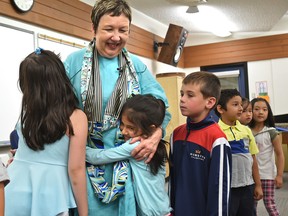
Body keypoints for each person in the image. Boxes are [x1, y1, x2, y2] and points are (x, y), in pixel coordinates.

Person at [64, 0, 170, 215]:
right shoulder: (74, 64)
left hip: (128, 168)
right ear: (93, 28)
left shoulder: (136, 67)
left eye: (123, 30)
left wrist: (156, 135)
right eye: (108, 29)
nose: (116, 37)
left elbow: (162, 109)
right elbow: (54, 110)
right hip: (85, 164)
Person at [4, 49, 88, 216]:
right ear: (60, 78)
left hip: (13, 189)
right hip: (51, 193)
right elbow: (76, 170)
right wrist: (84, 213)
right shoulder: (76, 117)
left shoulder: (26, 114)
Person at [86, 94, 172, 216]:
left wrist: (77, 147)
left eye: (131, 127)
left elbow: (99, 157)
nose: (123, 131)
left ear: (151, 128)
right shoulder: (157, 145)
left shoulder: (135, 146)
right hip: (162, 208)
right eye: (122, 124)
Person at [169, 71, 232, 216]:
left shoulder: (217, 139)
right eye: (182, 94)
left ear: (210, 102)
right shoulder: (176, 135)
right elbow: (172, 181)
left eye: (190, 95)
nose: (182, 99)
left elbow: (220, 190)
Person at [215, 89, 263, 216]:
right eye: (235, 105)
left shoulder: (246, 130)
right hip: (227, 189)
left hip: (248, 186)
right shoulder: (216, 131)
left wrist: (258, 184)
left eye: (241, 104)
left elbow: (253, 159)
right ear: (220, 109)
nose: (241, 108)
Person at [249, 98, 285, 216]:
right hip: (250, 176)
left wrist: (279, 175)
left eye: (264, 110)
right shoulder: (246, 131)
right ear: (250, 111)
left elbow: (280, 154)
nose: (261, 112)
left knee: (270, 205)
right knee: (250, 206)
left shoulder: (271, 131)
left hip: (267, 175)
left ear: (268, 112)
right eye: (257, 109)